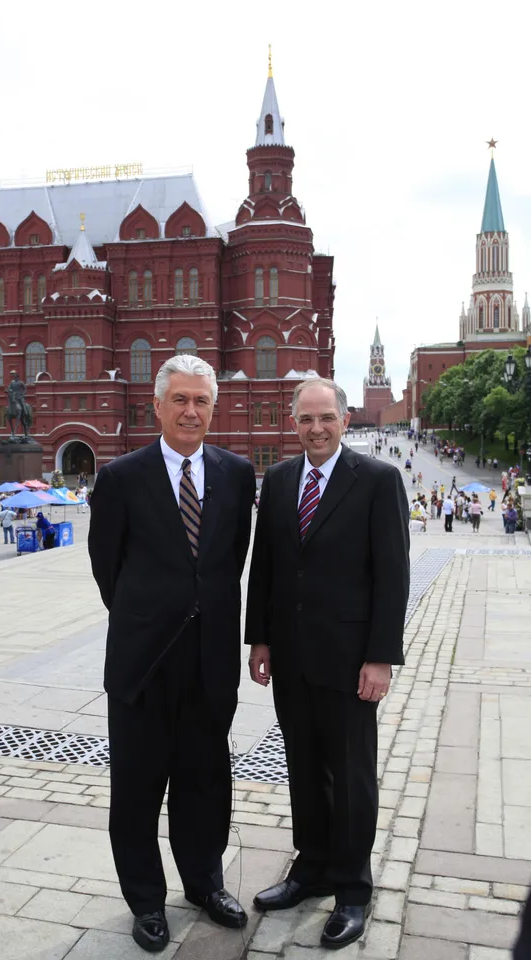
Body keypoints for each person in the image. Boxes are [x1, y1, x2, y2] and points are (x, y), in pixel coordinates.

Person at [88, 354, 255, 953]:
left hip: (210, 661)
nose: (191, 411)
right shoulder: (121, 478)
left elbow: (229, 560)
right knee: (136, 787)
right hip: (142, 664)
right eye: (179, 400)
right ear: (157, 406)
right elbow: (107, 568)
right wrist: (147, 614)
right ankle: (145, 901)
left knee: (206, 781)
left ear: (215, 407)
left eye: (201, 401)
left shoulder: (237, 474)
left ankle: (205, 883)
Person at [246, 377, 409, 950]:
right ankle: (310, 869)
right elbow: (264, 565)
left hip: (350, 663)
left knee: (351, 777)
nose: (315, 428)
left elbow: (392, 577)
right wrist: (259, 639)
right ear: (294, 423)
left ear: (344, 421)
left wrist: (381, 658)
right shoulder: (283, 479)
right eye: (305, 419)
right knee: (304, 768)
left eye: (326, 418)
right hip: (291, 658)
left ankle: (353, 890)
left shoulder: (379, 481)